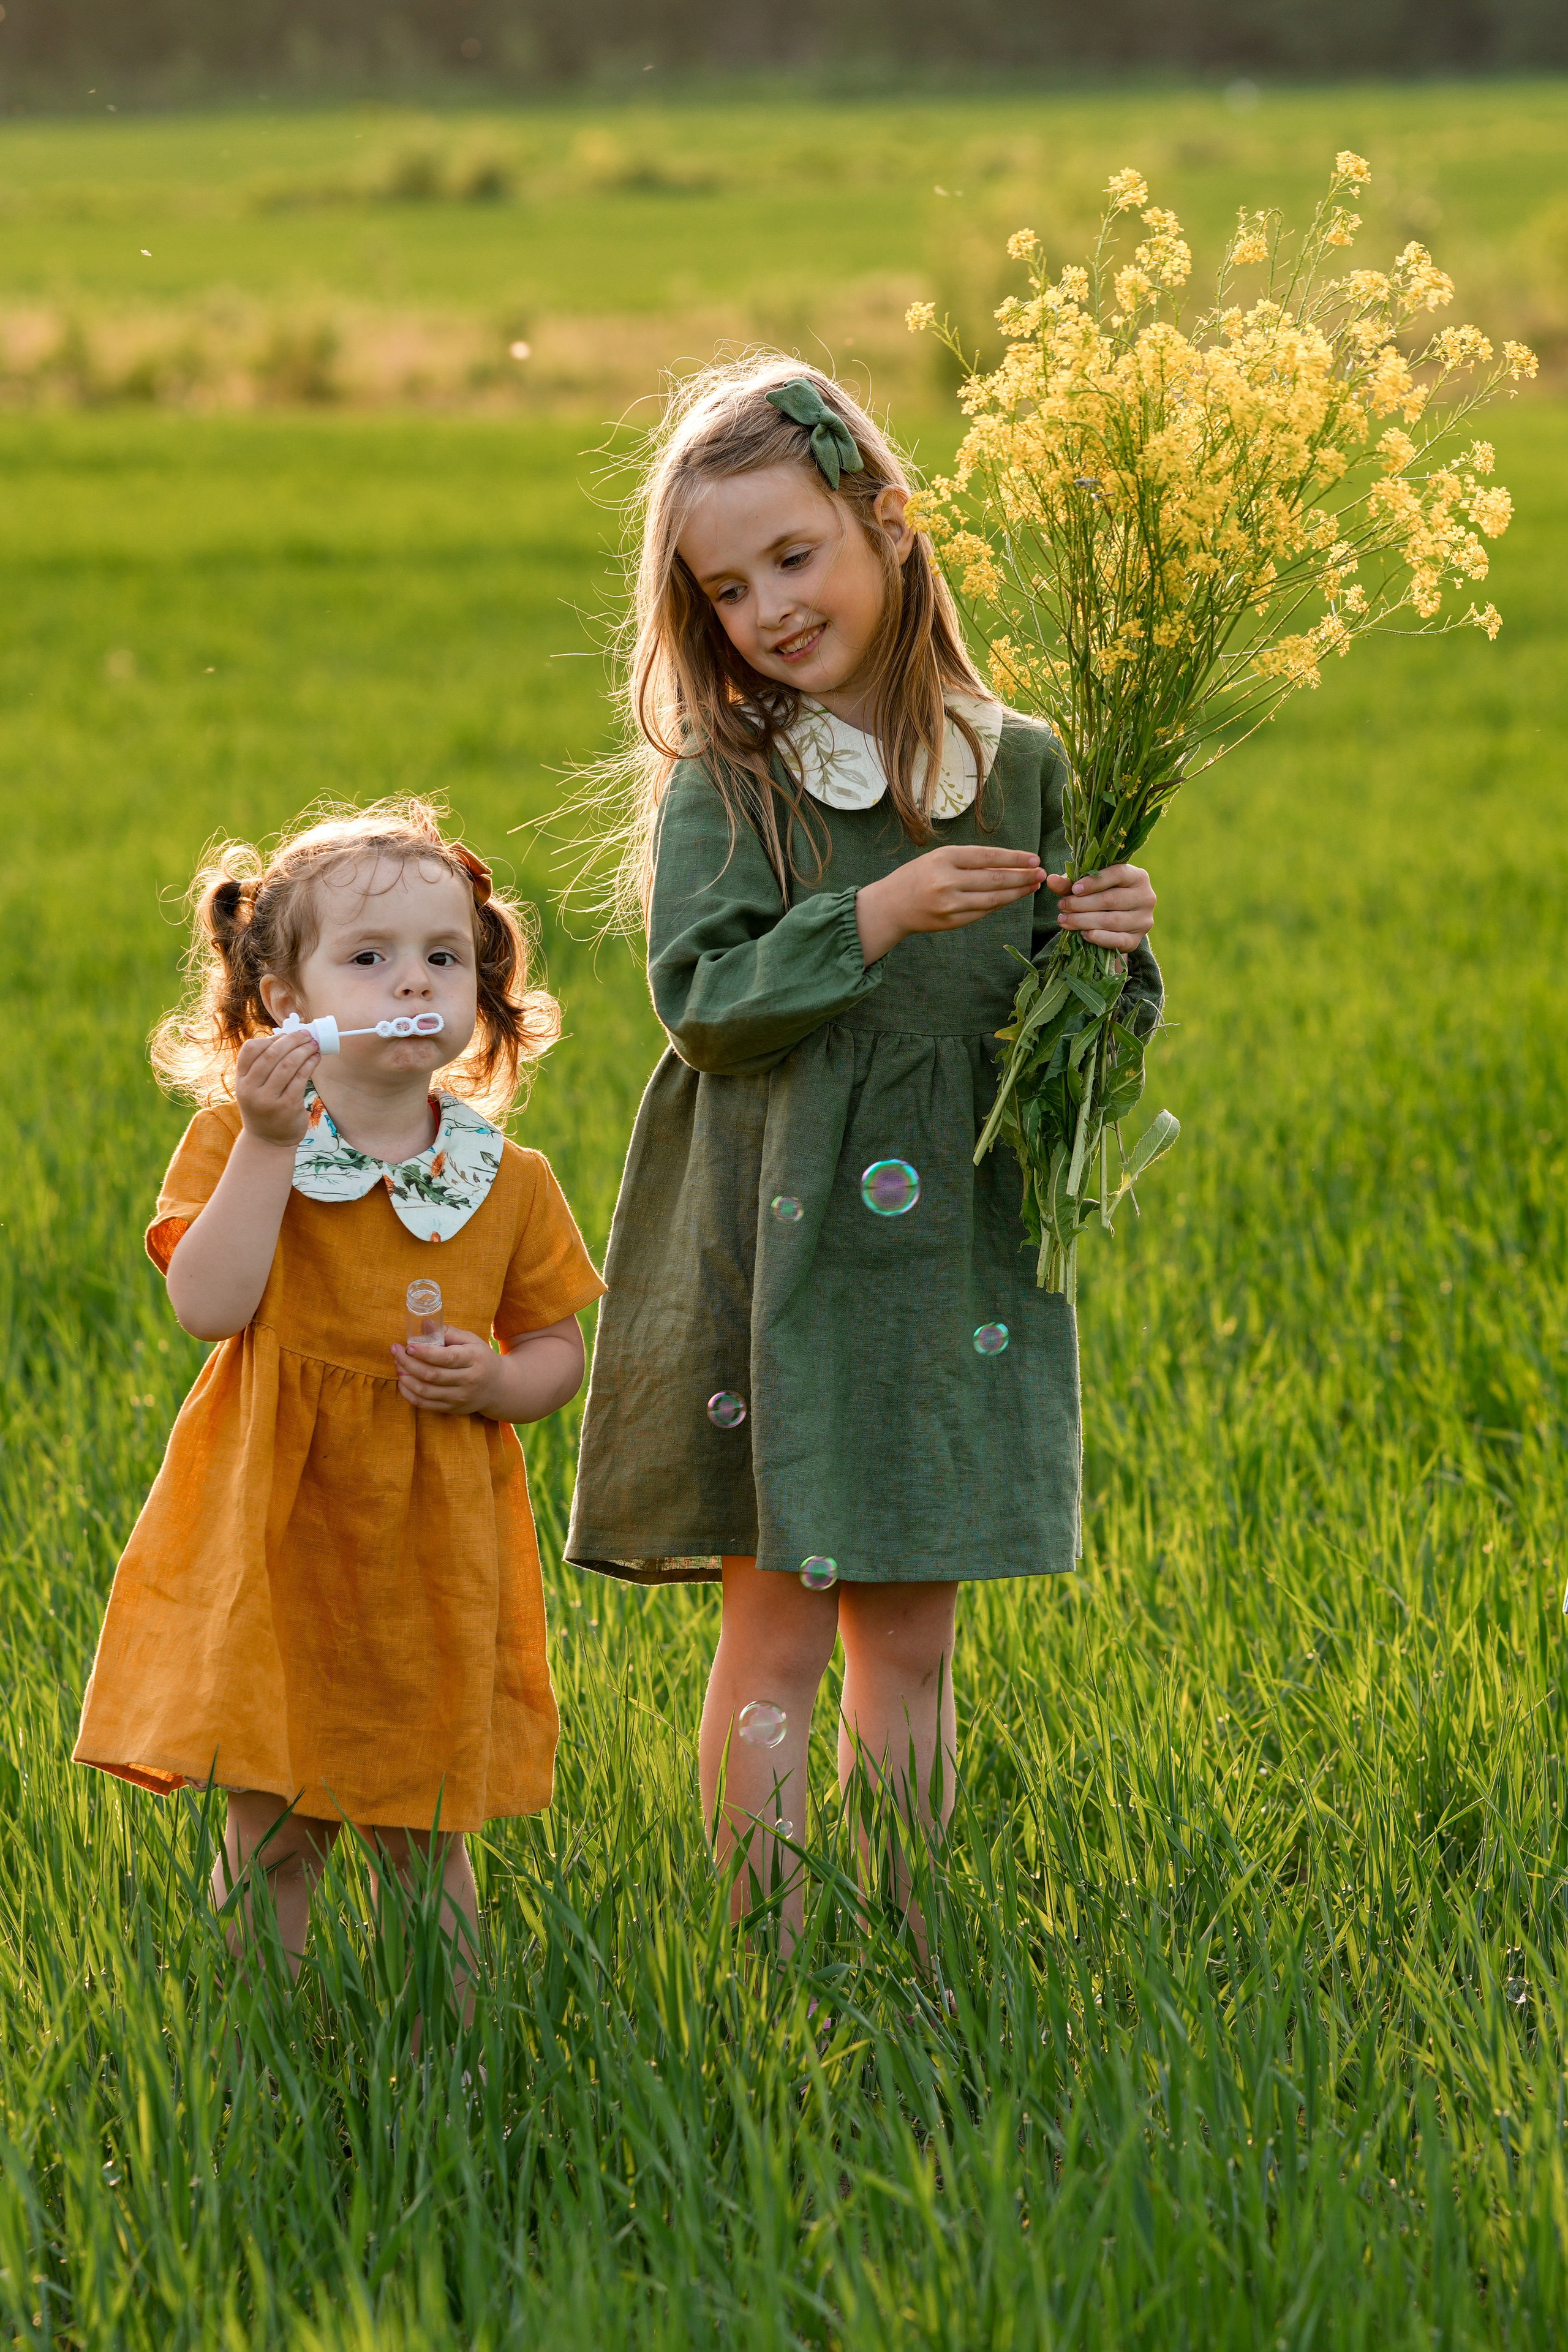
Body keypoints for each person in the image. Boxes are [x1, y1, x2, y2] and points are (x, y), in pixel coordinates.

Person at [565, 359, 1160, 1954]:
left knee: (912, 1630)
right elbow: (701, 1003)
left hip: (943, 1254)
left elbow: (1058, 1066)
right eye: (726, 586)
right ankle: (765, 1951)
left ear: (891, 525)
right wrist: (873, 914)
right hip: (781, 1249)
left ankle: (900, 1940)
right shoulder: (732, 779)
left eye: (794, 555)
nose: (765, 605)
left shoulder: (1022, 762)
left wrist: (1104, 956)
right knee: (775, 1627)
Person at [74, 800, 605, 2000]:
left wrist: (496, 1380)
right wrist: (268, 1144)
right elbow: (209, 1305)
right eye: (367, 958)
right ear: (280, 994)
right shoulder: (241, 1140)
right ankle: (269, 2046)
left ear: (483, 984)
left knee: (425, 1830)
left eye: (442, 955)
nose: (412, 979)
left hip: (428, 1544)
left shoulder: (503, 1179)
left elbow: (557, 1354)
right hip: (273, 1528)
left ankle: (446, 2072)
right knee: (272, 1825)